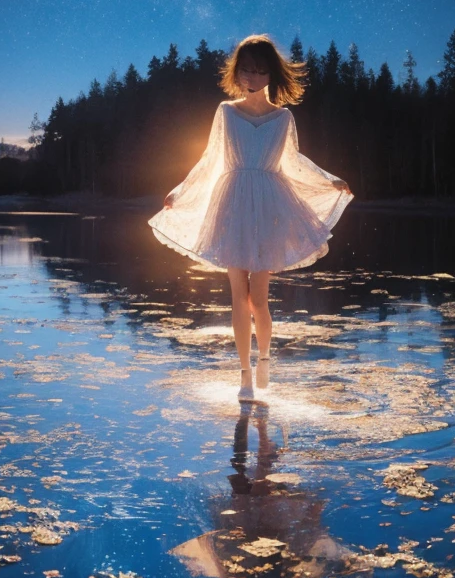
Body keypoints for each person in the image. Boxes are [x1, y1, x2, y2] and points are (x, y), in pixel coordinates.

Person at [148, 34, 353, 401]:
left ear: (271, 74)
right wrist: (180, 191)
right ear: (238, 72)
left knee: (258, 298)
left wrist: (330, 179)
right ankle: (244, 375)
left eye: (260, 70)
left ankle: (265, 359)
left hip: (271, 207)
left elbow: (293, 161)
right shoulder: (226, 112)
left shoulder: (283, 117)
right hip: (232, 205)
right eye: (247, 70)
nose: (253, 77)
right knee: (236, 296)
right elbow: (210, 159)